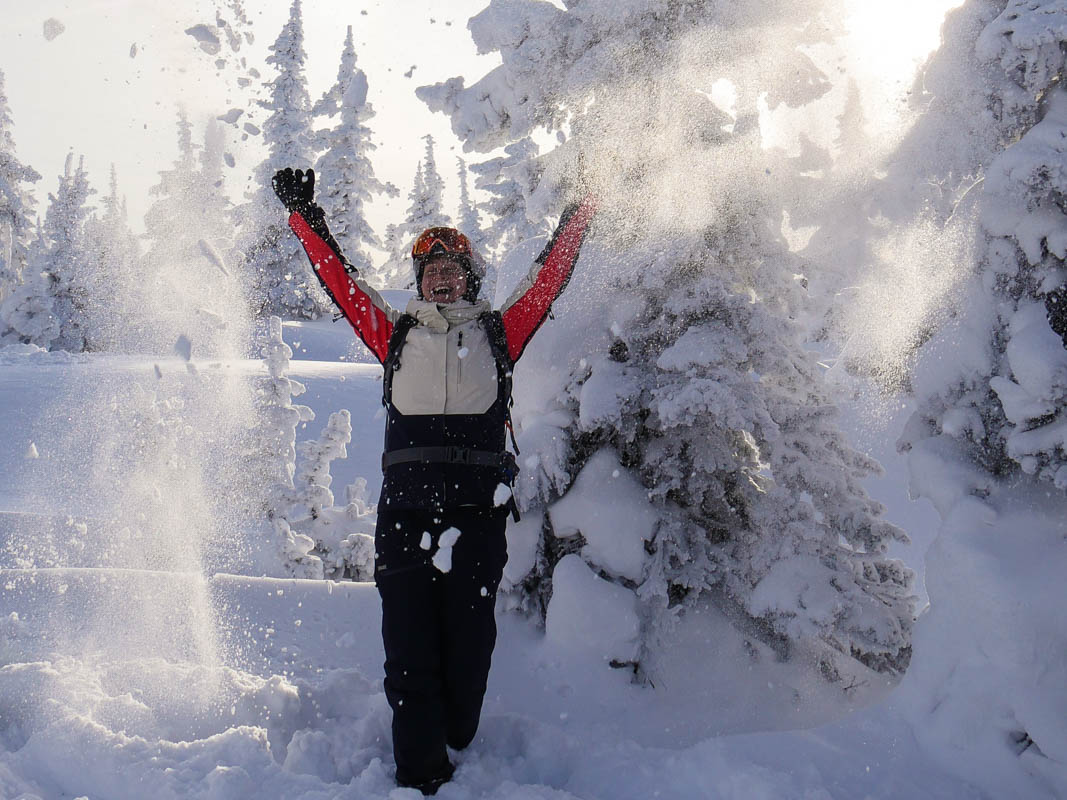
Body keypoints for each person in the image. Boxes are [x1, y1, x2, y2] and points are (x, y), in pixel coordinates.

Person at [272, 167, 596, 795]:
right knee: (409, 651)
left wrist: (584, 203)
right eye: (431, 271)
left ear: (469, 278)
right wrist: (305, 217)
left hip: (477, 518)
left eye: (452, 269)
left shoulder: (498, 334)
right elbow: (341, 283)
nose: (441, 278)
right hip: (405, 516)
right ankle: (419, 775)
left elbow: (549, 277)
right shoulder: (395, 335)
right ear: (419, 282)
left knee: (469, 654)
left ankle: (454, 736)